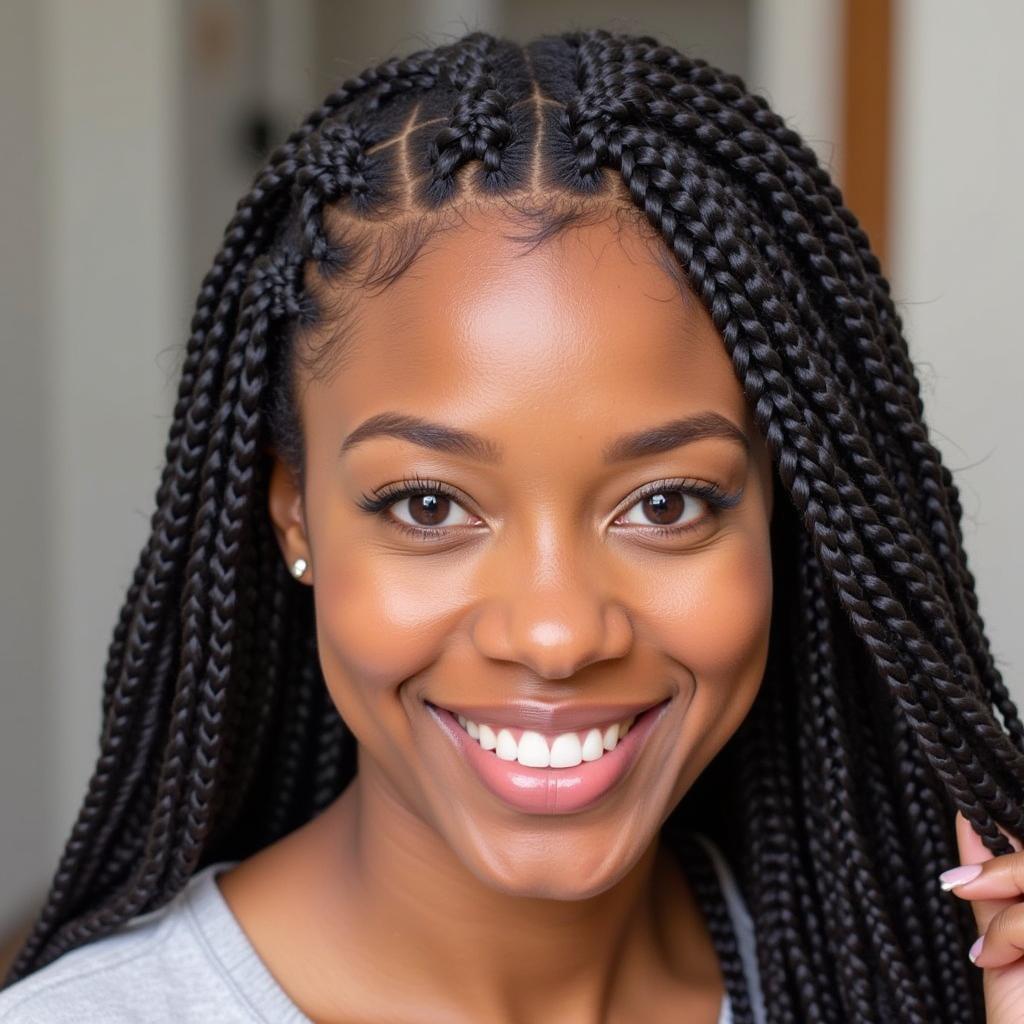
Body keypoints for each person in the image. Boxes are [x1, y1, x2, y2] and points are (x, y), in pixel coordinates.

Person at [1, 26, 1022, 1024]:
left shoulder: (900, 985)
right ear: (294, 516)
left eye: (665, 504)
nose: (556, 633)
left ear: (783, 515)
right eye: (430, 504)